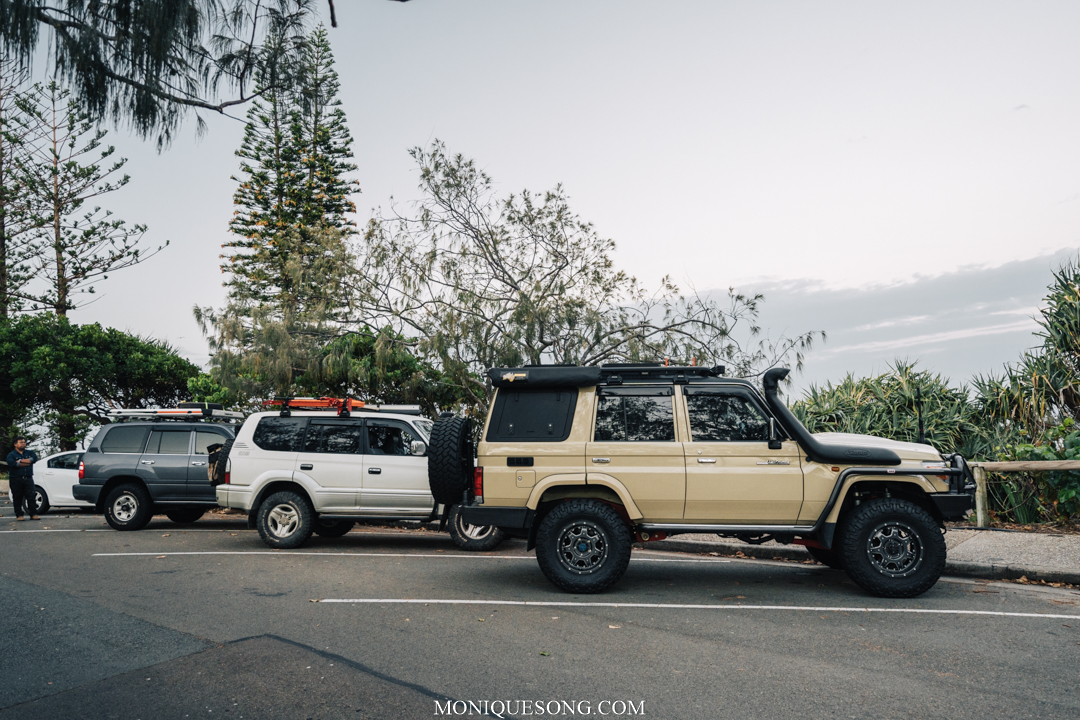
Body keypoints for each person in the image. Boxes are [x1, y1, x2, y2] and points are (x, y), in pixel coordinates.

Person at [6, 437, 39, 520]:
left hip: (28, 478)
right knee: (17, 497)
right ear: (15, 444)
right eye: (21, 442)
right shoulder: (11, 455)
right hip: (16, 479)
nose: (23, 444)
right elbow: (13, 464)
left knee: (31, 496)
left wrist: (20, 461)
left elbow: (34, 459)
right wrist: (27, 462)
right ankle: (19, 515)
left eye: (24, 442)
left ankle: (33, 514)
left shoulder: (30, 452)